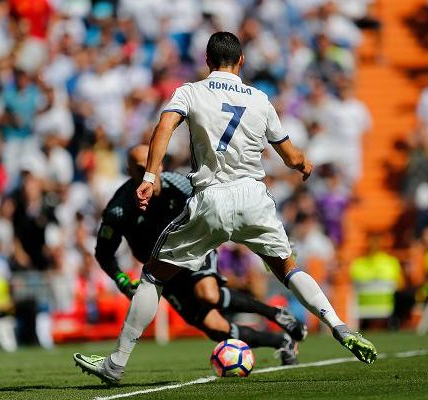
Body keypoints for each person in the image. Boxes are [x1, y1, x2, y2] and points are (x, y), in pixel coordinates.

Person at [74, 32, 377, 385]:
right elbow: (291, 155)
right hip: (254, 198)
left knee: (154, 276)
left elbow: (164, 127)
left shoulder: (190, 91)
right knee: (289, 269)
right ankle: (339, 326)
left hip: (211, 198)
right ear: (242, 61)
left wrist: (150, 174)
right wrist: (303, 166)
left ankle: (115, 365)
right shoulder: (261, 99)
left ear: (206, 60)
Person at [76, 144, 306, 367]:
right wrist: (121, 279)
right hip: (162, 271)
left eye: (152, 164)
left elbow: (224, 205)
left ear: (161, 165)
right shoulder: (119, 208)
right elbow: (104, 252)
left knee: (208, 294)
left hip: (193, 248)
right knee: (216, 329)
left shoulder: (181, 186)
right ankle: (281, 341)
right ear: (129, 172)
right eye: (140, 167)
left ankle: (275, 315)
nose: (148, 172)